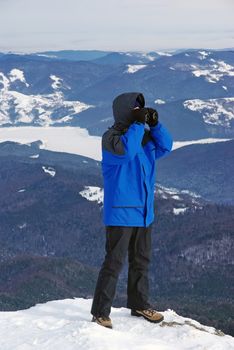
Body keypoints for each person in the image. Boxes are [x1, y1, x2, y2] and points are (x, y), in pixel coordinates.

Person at [91, 92, 173, 329]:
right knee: (114, 262)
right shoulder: (112, 138)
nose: (139, 111)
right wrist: (138, 124)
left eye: (141, 108)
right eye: (135, 108)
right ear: (124, 110)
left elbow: (166, 146)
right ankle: (100, 312)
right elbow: (126, 152)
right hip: (120, 213)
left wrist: (156, 125)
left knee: (141, 261)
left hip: (144, 212)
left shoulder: (144, 138)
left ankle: (139, 304)